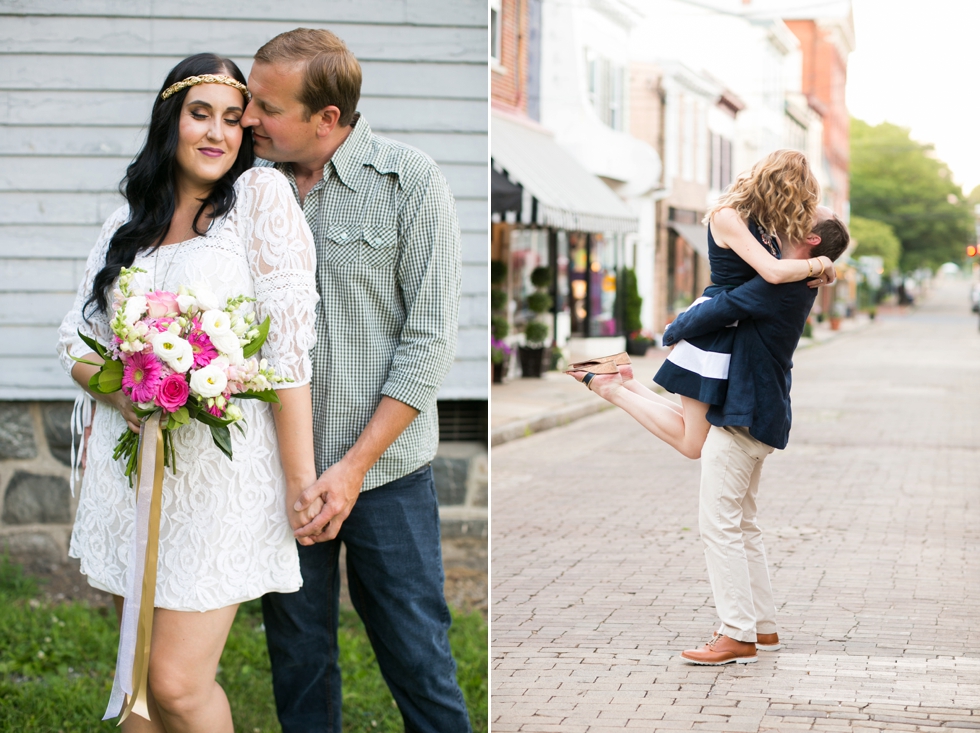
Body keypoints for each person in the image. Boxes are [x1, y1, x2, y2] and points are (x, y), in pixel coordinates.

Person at [56, 53, 320, 731]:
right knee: (137, 679)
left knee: (176, 682)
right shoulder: (128, 221)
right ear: (170, 120)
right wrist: (125, 391)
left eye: (233, 119)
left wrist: (302, 482)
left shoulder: (259, 200)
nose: (217, 133)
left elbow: (288, 356)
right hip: (133, 471)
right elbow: (75, 340)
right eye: (200, 113)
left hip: (217, 480)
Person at [239, 29, 471, 732]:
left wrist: (351, 469)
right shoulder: (247, 192)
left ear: (327, 118)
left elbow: (429, 343)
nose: (247, 118)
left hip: (387, 478)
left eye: (265, 107)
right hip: (285, 474)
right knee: (299, 659)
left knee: (417, 656)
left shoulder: (412, 183)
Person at [575, 205, 851, 665]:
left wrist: (672, 329)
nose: (792, 212)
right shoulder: (797, 279)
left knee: (718, 526)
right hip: (758, 412)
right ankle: (761, 628)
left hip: (744, 416)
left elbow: (726, 306)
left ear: (812, 238)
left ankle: (737, 634)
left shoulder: (779, 284)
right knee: (742, 526)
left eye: (804, 212)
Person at [571, 150, 837, 460]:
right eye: (800, 201)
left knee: (698, 430)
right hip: (714, 324)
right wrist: (822, 263)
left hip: (729, 328)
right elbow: (773, 272)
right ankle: (610, 387)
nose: (800, 210)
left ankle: (622, 381)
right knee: (693, 444)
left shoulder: (764, 226)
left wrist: (822, 264)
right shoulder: (728, 215)